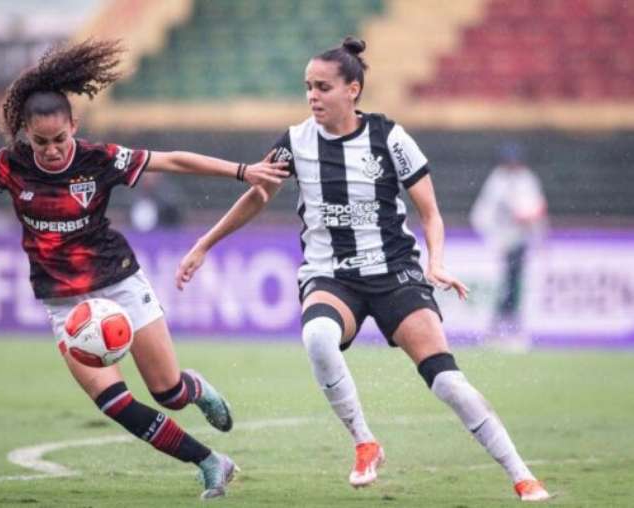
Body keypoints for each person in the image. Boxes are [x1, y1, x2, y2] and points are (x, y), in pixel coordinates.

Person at [176, 37, 550, 502]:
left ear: (352, 89)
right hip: (331, 275)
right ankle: (364, 442)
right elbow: (258, 195)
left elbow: (430, 212)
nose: (313, 96)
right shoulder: (295, 142)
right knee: (316, 337)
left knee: (448, 382)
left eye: (323, 87)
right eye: (308, 87)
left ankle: (521, 475)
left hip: (395, 272)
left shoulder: (390, 137)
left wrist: (435, 261)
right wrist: (204, 244)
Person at [0, 39, 288, 500]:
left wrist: (244, 171)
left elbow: (172, 160)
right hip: (65, 304)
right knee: (115, 402)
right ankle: (209, 462)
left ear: (73, 126)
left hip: (118, 284)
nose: (54, 150)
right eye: (42, 142)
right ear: (24, 134)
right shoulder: (10, 165)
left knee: (168, 391)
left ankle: (196, 390)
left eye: (61, 139)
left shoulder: (98, 159)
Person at [470, 142, 548, 351]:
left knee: (515, 286)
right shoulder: (497, 181)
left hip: (519, 242)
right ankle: (496, 331)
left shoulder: (526, 180)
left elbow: (536, 212)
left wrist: (540, 238)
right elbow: (481, 214)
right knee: (502, 287)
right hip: (501, 243)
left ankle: (512, 331)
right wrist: (494, 240)